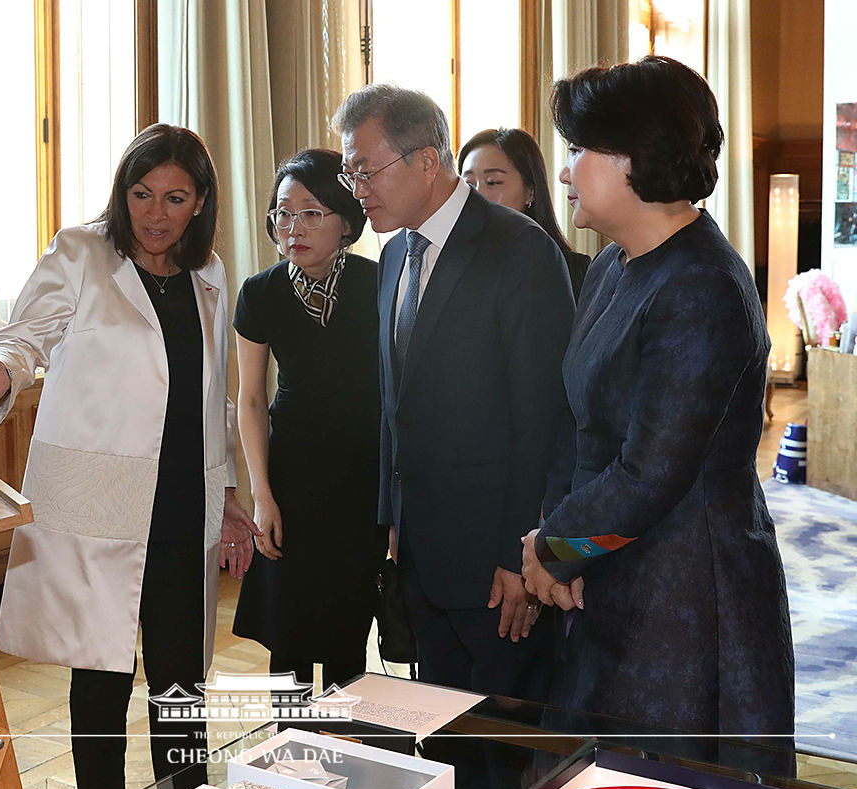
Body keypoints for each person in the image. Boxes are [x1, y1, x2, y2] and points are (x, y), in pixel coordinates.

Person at [0, 124, 260, 789]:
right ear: (123, 194)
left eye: (176, 198)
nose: (156, 213)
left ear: (202, 202)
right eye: (142, 193)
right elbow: (23, 338)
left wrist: (230, 493)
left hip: (184, 503)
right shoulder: (80, 254)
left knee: (183, 685)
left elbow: (214, 397)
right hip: (101, 506)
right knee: (99, 681)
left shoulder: (209, 274)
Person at [521, 56, 795, 745]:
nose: (562, 170)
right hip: (611, 571)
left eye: (578, 150)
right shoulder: (615, 263)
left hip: (684, 604)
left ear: (635, 159)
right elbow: (577, 419)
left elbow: (652, 474)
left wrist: (554, 551)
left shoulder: (703, 288)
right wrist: (554, 539)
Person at [333, 85, 574, 700]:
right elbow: (396, 404)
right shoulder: (392, 256)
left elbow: (542, 420)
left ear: (427, 161)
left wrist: (520, 556)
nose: (355, 186)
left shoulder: (519, 251)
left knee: (507, 751)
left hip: (496, 559)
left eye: (365, 169)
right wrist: (392, 518)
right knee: (443, 739)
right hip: (419, 552)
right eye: (348, 169)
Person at [231, 149, 384, 691]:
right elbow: (250, 399)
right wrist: (261, 494)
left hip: (362, 480)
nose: (293, 227)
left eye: (312, 212)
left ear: (347, 220)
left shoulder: (381, 283)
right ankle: (285, 764)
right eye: (283, 213)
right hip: (291, 476)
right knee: (287, 637)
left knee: (347, 640)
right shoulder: (260, 292)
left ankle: (347, 759)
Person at [459, 127, 591, 299]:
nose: (477, 194)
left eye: (493, 182)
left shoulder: (568, 269)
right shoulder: (451, 263)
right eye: (468, 184)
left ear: (530, 191)